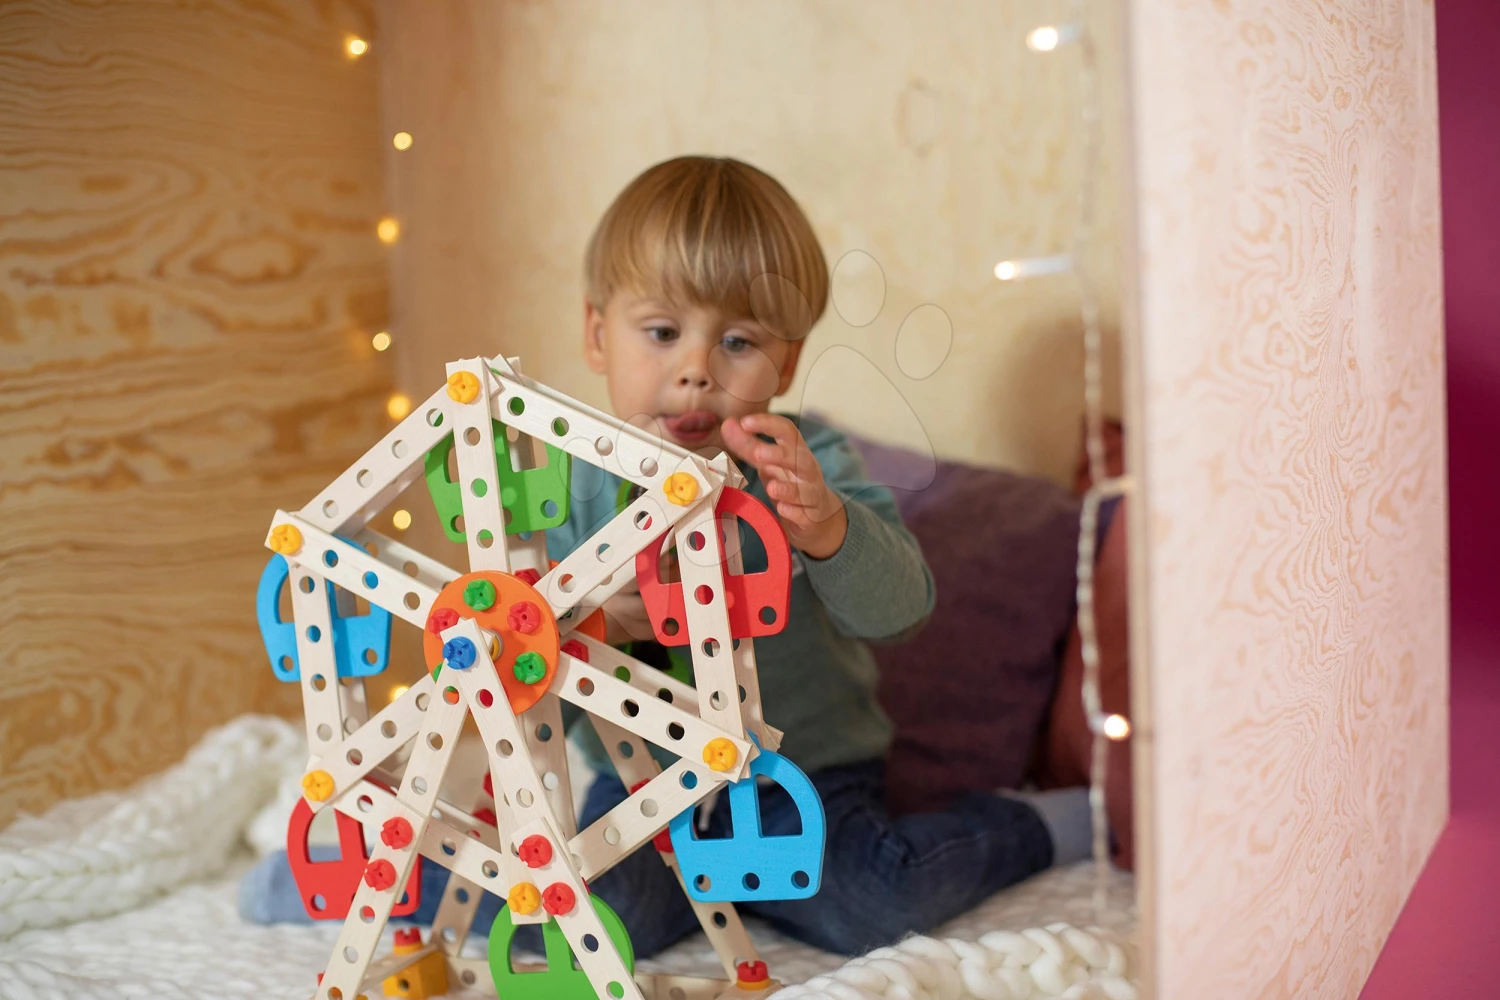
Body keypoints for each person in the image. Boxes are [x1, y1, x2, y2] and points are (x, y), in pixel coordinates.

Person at [240, 155, 1088, 957]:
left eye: (738, 343)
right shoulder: (562, 487)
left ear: (786, 360)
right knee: (594, 916)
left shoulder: (802, 463)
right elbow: (536, 679)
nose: (693, 372)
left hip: (801, 772)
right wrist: (601, 620)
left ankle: (1044, 826)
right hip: (635, 785)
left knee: (875, 901)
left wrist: (825, 525)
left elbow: (900, 609)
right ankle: (375, 879)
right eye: (661, 331)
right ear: (597, 334)